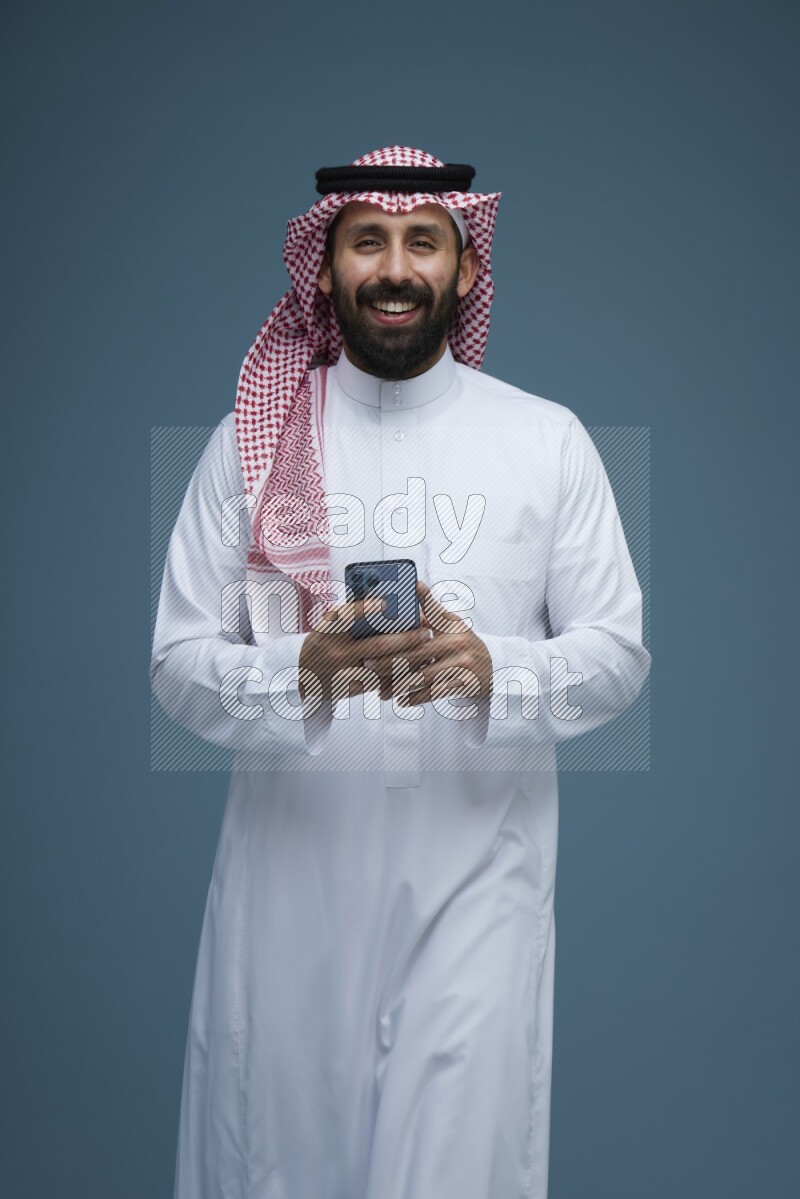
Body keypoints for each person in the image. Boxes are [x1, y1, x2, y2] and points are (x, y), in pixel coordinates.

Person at [150, 145, 651, 1199]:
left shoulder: (544, 438)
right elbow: (177, 666)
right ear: (324, 267)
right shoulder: (250, 444)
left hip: (477, 889)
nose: (394, 266)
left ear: (464, 271)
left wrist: (489, 669)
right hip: (288, 899)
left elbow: (615, 656)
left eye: (422, 242)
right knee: (280, 1165)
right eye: (366, 240)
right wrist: (304, 672)